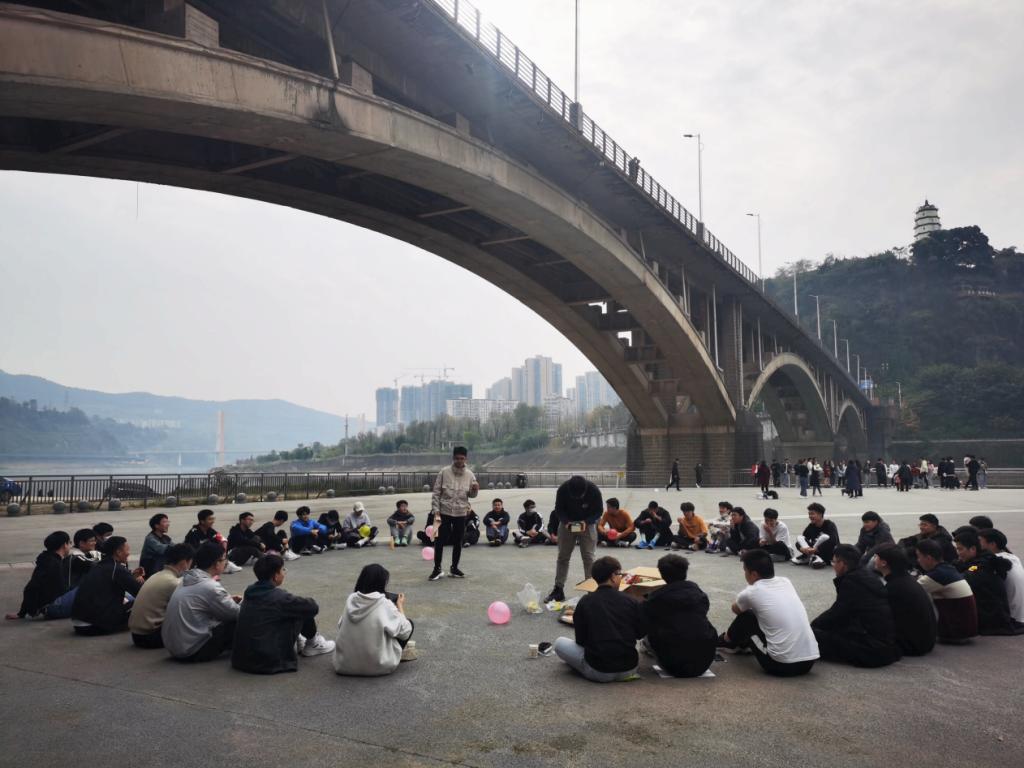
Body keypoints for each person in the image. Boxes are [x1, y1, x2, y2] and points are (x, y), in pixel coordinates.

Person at [716, 550, 819, 677]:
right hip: (809, 662)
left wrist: (749, 598)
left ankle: (728, 642)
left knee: (747, 616)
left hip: (779, 664)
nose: (745, 574)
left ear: (754, 574)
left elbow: (736, 610)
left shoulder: (751, 592)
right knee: (764, 617)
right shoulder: (786, 581)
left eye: (745, 571)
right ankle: (738, 643)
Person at [231, 554, 335, 674]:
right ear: (275, 576)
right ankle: (313, 643)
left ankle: (301, 640)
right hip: (267, 661)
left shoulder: (249, 591)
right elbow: (312, 607)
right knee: (302, 609)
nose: (284, 572)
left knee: (286, 611)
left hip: (242, 659)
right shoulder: (279, 597)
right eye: (282, 570)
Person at [553, 556, 647, 683]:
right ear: (613, 576)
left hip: (599, 671)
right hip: (629, 668)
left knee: (559, 643)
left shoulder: (586, 601)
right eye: (620, 574)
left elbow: (580, 640)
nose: (621, 578)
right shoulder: (631, 601)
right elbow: (640, 633)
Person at [810, 544, 902, 667]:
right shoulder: (866, 575)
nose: (833, 566)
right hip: (885, 643)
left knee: (813, 637)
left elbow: (837, 613)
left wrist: (811, 627)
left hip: (872, 649)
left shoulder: (852, 582)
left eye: (834, 562)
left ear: (842, 564)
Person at [163, 541, 242, 662]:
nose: (226, 562)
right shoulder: (210, 586)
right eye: (224, 559)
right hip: (193, 650)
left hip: (175, 647)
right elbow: (235, 613)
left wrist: (228, 600)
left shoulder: (187, 579)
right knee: (241, 621)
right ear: (216, 563)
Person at [642, 554, 717, 677]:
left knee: (649, 628)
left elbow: (643, 624)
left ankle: (649, 649)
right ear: (685, 571)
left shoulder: (656, 599)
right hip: (704, 661)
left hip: (673, 665)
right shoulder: (699, 594)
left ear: (661, 574)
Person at [333, 564, 414, 676]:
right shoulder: (384, 603)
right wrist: (399, 606)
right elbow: (405, 631)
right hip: (378, 666)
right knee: (408, 624)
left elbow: (340, 625)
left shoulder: (351, 599)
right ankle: (393, 655)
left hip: (344, 665)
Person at [543, 475, 602, 603]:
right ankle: (558, 589)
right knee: (563, 557)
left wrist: (587, 522)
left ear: (585, 490)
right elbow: (559, 509)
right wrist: (565, 522)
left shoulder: (593, 490)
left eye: (580, 496)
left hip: (587, 524)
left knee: (589, 558)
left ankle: (592, 591)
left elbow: (598, 511)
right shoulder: (563, 489)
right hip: (567, 524)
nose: (577, 498)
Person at [953, 530, 1024, 635]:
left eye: (960, 549)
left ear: (973, 549)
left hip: (993, 619)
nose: (958, 553)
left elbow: (967, 575)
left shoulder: (980, 565)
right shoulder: (988, 559)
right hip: (1004, 615)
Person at [71, 536, 144, 635]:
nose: (129, 553)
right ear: (118, 552)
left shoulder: (100, 565)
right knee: (145, 602)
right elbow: (141, 592)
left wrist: (131, 577)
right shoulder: (117, 569)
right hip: (94, 625)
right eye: (127, 550)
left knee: (128, 600)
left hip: (79, 623)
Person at [873, 545, 936, 656]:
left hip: (913, 645)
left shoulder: (895, 586)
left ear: (883, 563)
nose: (874, 560)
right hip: (926, 641)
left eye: (876, 557)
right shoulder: (906, 580)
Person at [129, 543, 194, 649]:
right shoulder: (173, 582)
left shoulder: (156, 575)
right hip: (151, 637)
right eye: (191, 563)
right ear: (184, 562)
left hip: (136, 635)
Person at [429, 446, 479, 581]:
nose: (459, 461)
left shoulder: (470, 475)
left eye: (462, 458)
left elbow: (472, 495)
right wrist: (436, 510)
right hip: (443, 512)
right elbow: (436, 493)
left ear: (466, 459)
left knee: (458, 541)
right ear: (453, 458)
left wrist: (475, 490)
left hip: (461, 513)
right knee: (439, 541)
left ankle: (454, 568)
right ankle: (437, 569)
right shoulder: (444, 472)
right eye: (457, 458)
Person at [916, 539, 978, 643]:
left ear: (928, 558)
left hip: (956, 631)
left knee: (916, 597)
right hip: (966, 627)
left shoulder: (937, 575)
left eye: (919, 556)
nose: (918, 560)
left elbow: (911, 590)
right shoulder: (948, 568)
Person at [5, 531, 70, 620]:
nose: (70, 546)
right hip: (52, 607)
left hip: (47, 606)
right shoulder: (54, 564)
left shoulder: (47, 559)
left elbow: (32, 586)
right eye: (69, 543)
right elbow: (32, 587)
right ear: (65, 545)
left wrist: (22, 612)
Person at [978, 529, 1024, 623]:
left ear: (992, 544)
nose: (977, 544)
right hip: (1020, 614)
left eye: (980, 541)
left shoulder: (995, 561)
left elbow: (973, 570)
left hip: (1012, 618)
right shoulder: (1013, 557)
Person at [791, 502, 839, 568]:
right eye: (809, 514)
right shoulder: (811, 526)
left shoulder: (830, 525)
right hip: (813, 550)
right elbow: (803, 539)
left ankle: (811, 557)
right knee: (799, 541)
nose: (810, 516)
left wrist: (816, 549)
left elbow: (833, 541)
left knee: (829, 541)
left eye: (812, 514)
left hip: (828, 552)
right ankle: (813, 557)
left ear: (820, 514)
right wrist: (802, 549)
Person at [139, 513, 172, 579]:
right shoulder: (150, 539)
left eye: (168, 522)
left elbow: (175, 547)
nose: (168, 524)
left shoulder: (166, 538)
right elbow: (163, 549)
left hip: (159, 570)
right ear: (156, 525)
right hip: (150, 573)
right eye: (164, 522)